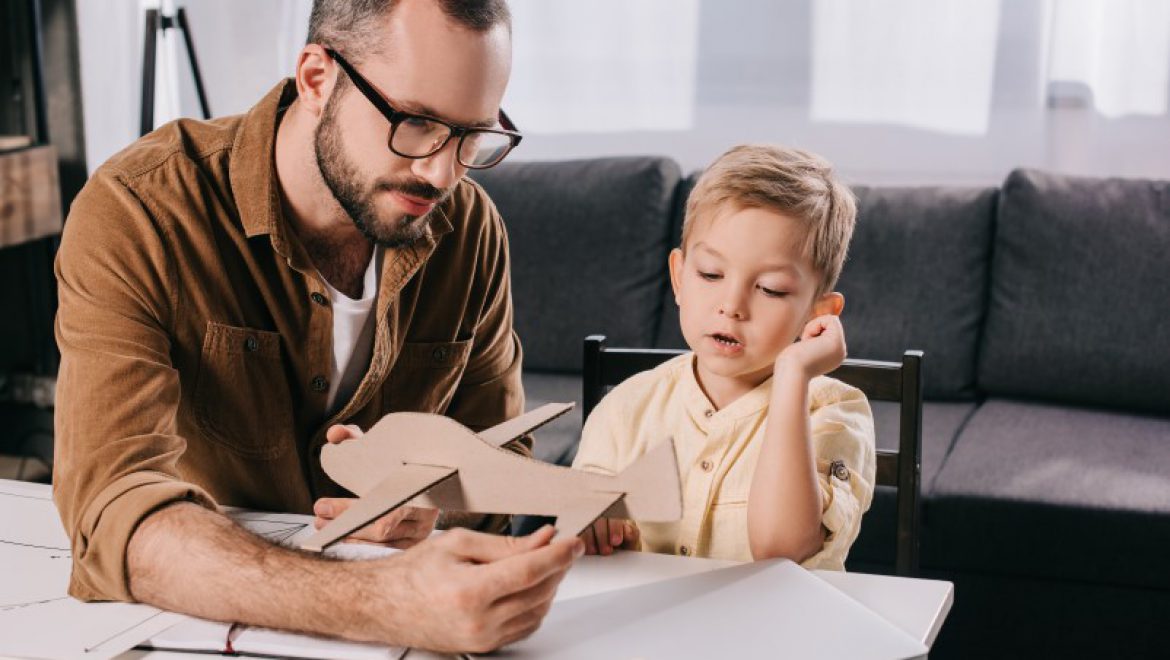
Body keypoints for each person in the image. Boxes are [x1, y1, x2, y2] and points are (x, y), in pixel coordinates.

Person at [52, 0, 581, 653]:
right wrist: (382, 602)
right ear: (315, 78)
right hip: (191, 626)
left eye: (473, 136)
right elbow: (112, 510)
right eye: (415, 123)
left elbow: (498, 455)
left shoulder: (469, 229)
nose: (442, 173)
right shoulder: (139, 211)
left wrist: (430, 503)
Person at [573, 144, 876, 569]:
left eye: (770, 289)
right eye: (711, 274)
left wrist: (793, 374)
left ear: (816, 313)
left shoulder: (835, 412)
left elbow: (781, 551)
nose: (732, 305)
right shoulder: (626, 408)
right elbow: (580, 529)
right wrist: (588, 521)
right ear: (679, 277)